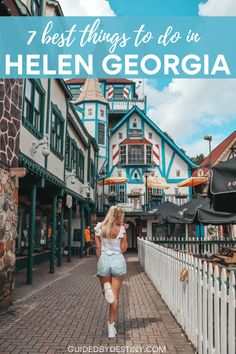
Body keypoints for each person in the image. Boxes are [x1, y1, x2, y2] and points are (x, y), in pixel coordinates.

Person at [94, 206, 128, 338]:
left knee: (107, 294)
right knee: (114, 297)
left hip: (104, 260)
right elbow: (124, 249)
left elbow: (98, 247)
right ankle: (111, 327)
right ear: (118, 217)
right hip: (118, 261)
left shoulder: (99, 228)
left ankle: (105, 288)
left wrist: (99, 263)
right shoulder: (122, 229)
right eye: (122, 217)